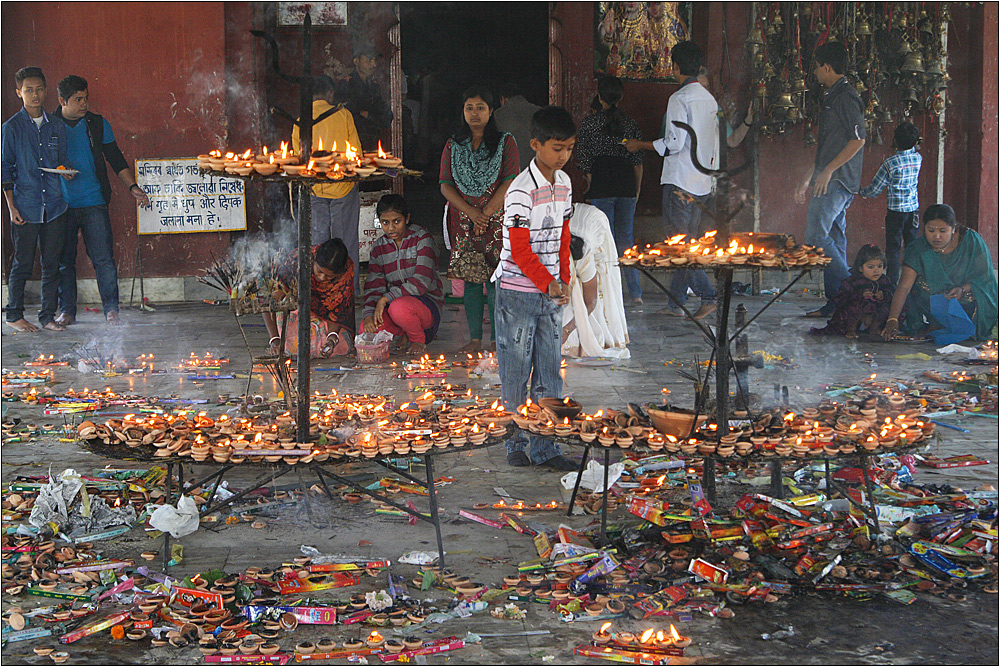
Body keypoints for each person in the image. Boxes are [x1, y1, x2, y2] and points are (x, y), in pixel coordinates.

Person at [493, 105, 578, 471]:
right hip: (517, 291)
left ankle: (546, 446)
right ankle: (515, 441)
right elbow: (520, 248)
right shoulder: (520, 190)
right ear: (536, 144)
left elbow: (562, 235)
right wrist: (548, 282)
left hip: (549, 291)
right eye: (558, 148)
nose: (564, 156)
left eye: (570, 148)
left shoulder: (565, 184)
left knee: (549, 371)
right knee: (515, 370)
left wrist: (564, 280)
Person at [625, 41, 720, 321]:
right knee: (687, 243)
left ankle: (708, 295)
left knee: (678, 246)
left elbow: (674, 143)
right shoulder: (709, 99)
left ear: (675, 67)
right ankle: (675, 303)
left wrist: (640, 145)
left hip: (680, 182)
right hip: (702, 182)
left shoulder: (679, 99)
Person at [53, 75, 150, 327]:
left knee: (104, 258)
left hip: (93, 201)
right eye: (77, 99)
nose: (84, 104)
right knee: (64, 261)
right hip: (60, 204)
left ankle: (111, 309)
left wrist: (133, 187)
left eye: (86, 98)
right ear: (62, 100)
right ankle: (67, 311)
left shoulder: (96, 124)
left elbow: (115, 158)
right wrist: (58, 168)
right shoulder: (49, 125)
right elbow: (39, 162)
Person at [439, 85, 520, 353]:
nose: (474, 114)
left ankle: (498, 340)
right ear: (463, 112)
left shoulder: (505, 142)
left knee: (497, 279)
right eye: (469, 108)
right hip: (464, 221)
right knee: (472, 281)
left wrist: (484, 214)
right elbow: (445, 184)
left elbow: (509, 181)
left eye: (480, 108)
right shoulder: (454, 144)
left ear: (491, 111)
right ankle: (474, 339)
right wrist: (471, 212)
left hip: (495, 220)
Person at [795, 42, 866, 318]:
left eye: (816, 67)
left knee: (816, 236)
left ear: (826, 67)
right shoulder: (832, 95)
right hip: (829, 177)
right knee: (834, 237)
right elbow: (827, 147)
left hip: (838, 180)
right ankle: (837, 304)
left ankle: (855, 290)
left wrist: (827, 172)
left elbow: (858, 140)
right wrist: (808, 178)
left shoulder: (846, 96)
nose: (814, 73)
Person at [2, 67, 72, 333]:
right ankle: (14, 315)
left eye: (39, 89)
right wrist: (11, 207)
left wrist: (65, 172)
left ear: (46, 91)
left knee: (51, 264)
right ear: (18, 92)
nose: (35, 95)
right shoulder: (11, 128)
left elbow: (61, 160)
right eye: (28, 90)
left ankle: (46, 316)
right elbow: (5, 169)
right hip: (25, 205)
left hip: (54, 205)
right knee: (22, 262)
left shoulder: (56, 125)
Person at [881, 204, 998, 344]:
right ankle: (936, 323)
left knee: (981, 293)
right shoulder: (918, 249)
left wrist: (962, 289)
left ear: (953, 229)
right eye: (931, 230)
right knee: (916, 289)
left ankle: (970, 328)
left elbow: (985, 278)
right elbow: (904, 286)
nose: (936, 236)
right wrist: (892, 320)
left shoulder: (971, 241)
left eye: (943, 231)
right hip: (936, 305)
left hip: (968, 302)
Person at [575, 76, 644, 306]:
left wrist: (592, 181)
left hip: (602, 184)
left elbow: (584, 161)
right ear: (621, 97)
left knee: (603, 241)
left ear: (599, 96)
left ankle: (608, 294)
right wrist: (636, 190)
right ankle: (635, 294)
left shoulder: (589, 124)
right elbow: (637, 161)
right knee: (626, 240)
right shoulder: (630, 123)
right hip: (626, 185)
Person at [291, 75, 363, 294]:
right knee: (346, 243)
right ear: (330, 93)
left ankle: (319, 291)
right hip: (343, 187)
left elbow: (296, 159)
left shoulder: (301, 120)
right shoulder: (343, 115)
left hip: (314, 188)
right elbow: (356, 154)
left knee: (318, 245)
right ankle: (348, 290)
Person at [362, 194, 444, 355]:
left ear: (407, 219)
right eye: (385, 223)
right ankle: (402, 335)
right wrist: (368, 315)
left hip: (425, 305)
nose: (391, 228)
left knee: (399, 308)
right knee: (368, 328)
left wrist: (386, 299)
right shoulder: (379, 248)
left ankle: (417, 339)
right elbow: (374, 286)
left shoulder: (422, 239)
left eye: (396, 221)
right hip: (393, 305)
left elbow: (421, 282)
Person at [264, 238, 355, 358]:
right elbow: (267, 303)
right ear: (314, 261)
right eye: (319, 271)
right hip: (295, 314)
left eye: (329, 276)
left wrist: (332, 338)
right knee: (292, 344)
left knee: (340, 345)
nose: (322, 278)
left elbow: (337, 312)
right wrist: (275, 340)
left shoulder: (345, 275)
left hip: (325, 321)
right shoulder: (294, 262)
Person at [561, 203, 630, 359]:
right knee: (567, 293)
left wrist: (567, 330)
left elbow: (590, 301)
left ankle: (594, 335)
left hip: (593, 221)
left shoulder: (583, 257)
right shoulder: (548, 253)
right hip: (572, 221)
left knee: (595, 286)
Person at [859, 121, 922, 286]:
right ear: (915, 142)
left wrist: (861, 191)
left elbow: (875, 189)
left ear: (895, 140)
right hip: (913, 210)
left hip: (896, 212)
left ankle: (893, 285)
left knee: (893, 249)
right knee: (912, 248)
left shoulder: (890, 163)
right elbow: (913, 148)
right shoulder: (917, 158)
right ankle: (913, 283)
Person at [810, 244, 893, 338]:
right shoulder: (852, 281)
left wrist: (883, 294)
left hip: (872, 316)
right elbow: (840, 299)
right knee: (854, 307)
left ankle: (875, 329)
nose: (876, 271)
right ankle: (851, 330)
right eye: (870, 267)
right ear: (861, 268)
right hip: (854, 317)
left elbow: (891, 294)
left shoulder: (884, 281)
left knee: (887, 307)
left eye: (879, 266)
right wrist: (859, 295)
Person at [336, 44, 393, 152]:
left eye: (375, 60)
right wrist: (368, 116)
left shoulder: (374, 87)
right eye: (369, 60)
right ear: (356, 61)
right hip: (351, 143)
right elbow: (344, 116)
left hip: (373, 142)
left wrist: (368, 115)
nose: (374, 64)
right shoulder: (346, 84)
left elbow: (386, 117)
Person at [493, 83, 541, 169]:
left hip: (509, 174)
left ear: (503, 99)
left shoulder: (497, 115)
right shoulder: (540, 112)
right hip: (536, 171)